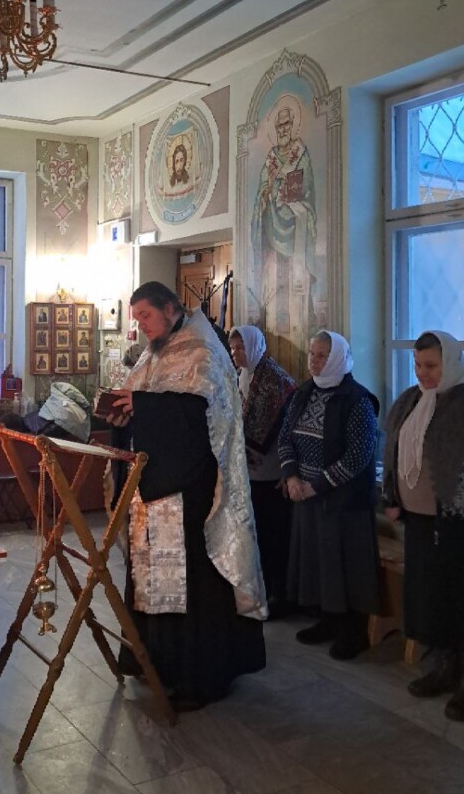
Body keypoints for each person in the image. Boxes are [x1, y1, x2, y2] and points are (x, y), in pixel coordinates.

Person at [108, 281, 266, 711]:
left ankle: (200, 677)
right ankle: (157, 662)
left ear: (169, 308)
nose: (141, 325)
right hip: (154, 486)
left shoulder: (203, 350)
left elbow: (200, 418)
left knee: (193, 583)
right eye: (137, 318)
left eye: (146, 315)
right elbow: (147, 403)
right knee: (152, 577)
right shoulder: (155, 352)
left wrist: (145, 406)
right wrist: (125, 413)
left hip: (193, 492)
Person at [382, 331, 464, 719]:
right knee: (431, 597)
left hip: (458, 524)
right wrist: (391, 497)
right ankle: (444, 666)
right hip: (417, 521)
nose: (422, 373)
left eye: (431, 365)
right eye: (417, 365)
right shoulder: (411, 400)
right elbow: (392, 449)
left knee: (460, 598)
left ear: (449, 362)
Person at [278, 330, 380, 660]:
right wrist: (291, 476)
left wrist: (317, 484)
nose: (314, 361)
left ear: (337, 357)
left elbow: (358, 455)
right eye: (312, 354)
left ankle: (353, 631)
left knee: (346, 565)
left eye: (322, 355)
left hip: (343, 501)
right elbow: (285, 438)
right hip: (306, 495)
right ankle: (328, 619)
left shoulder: (357, 400)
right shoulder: (303, 392)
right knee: (318, 562)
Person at [229, 325, 296, 615]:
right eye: (233, 348)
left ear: (255, 347)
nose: (236, 353)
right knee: (257, 535)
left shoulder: (273, 379)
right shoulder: (245, 374)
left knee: (274, 537)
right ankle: (261, 590)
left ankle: (280, 595)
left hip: (272, 472)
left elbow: (267, 430)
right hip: (251, 471)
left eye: (241, 347)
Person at [250, 98, 317, 351]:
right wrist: (267, 195)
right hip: (272, 239)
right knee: (273, 295)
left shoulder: (301, 154)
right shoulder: (270, 160)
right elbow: (260, 196)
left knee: (295, 300)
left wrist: (292, 200)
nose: (284, 129)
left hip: (295, 234)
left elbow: (308, 192)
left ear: (293, 125)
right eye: (280, 126)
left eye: (288, 124)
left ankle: (299, 347)